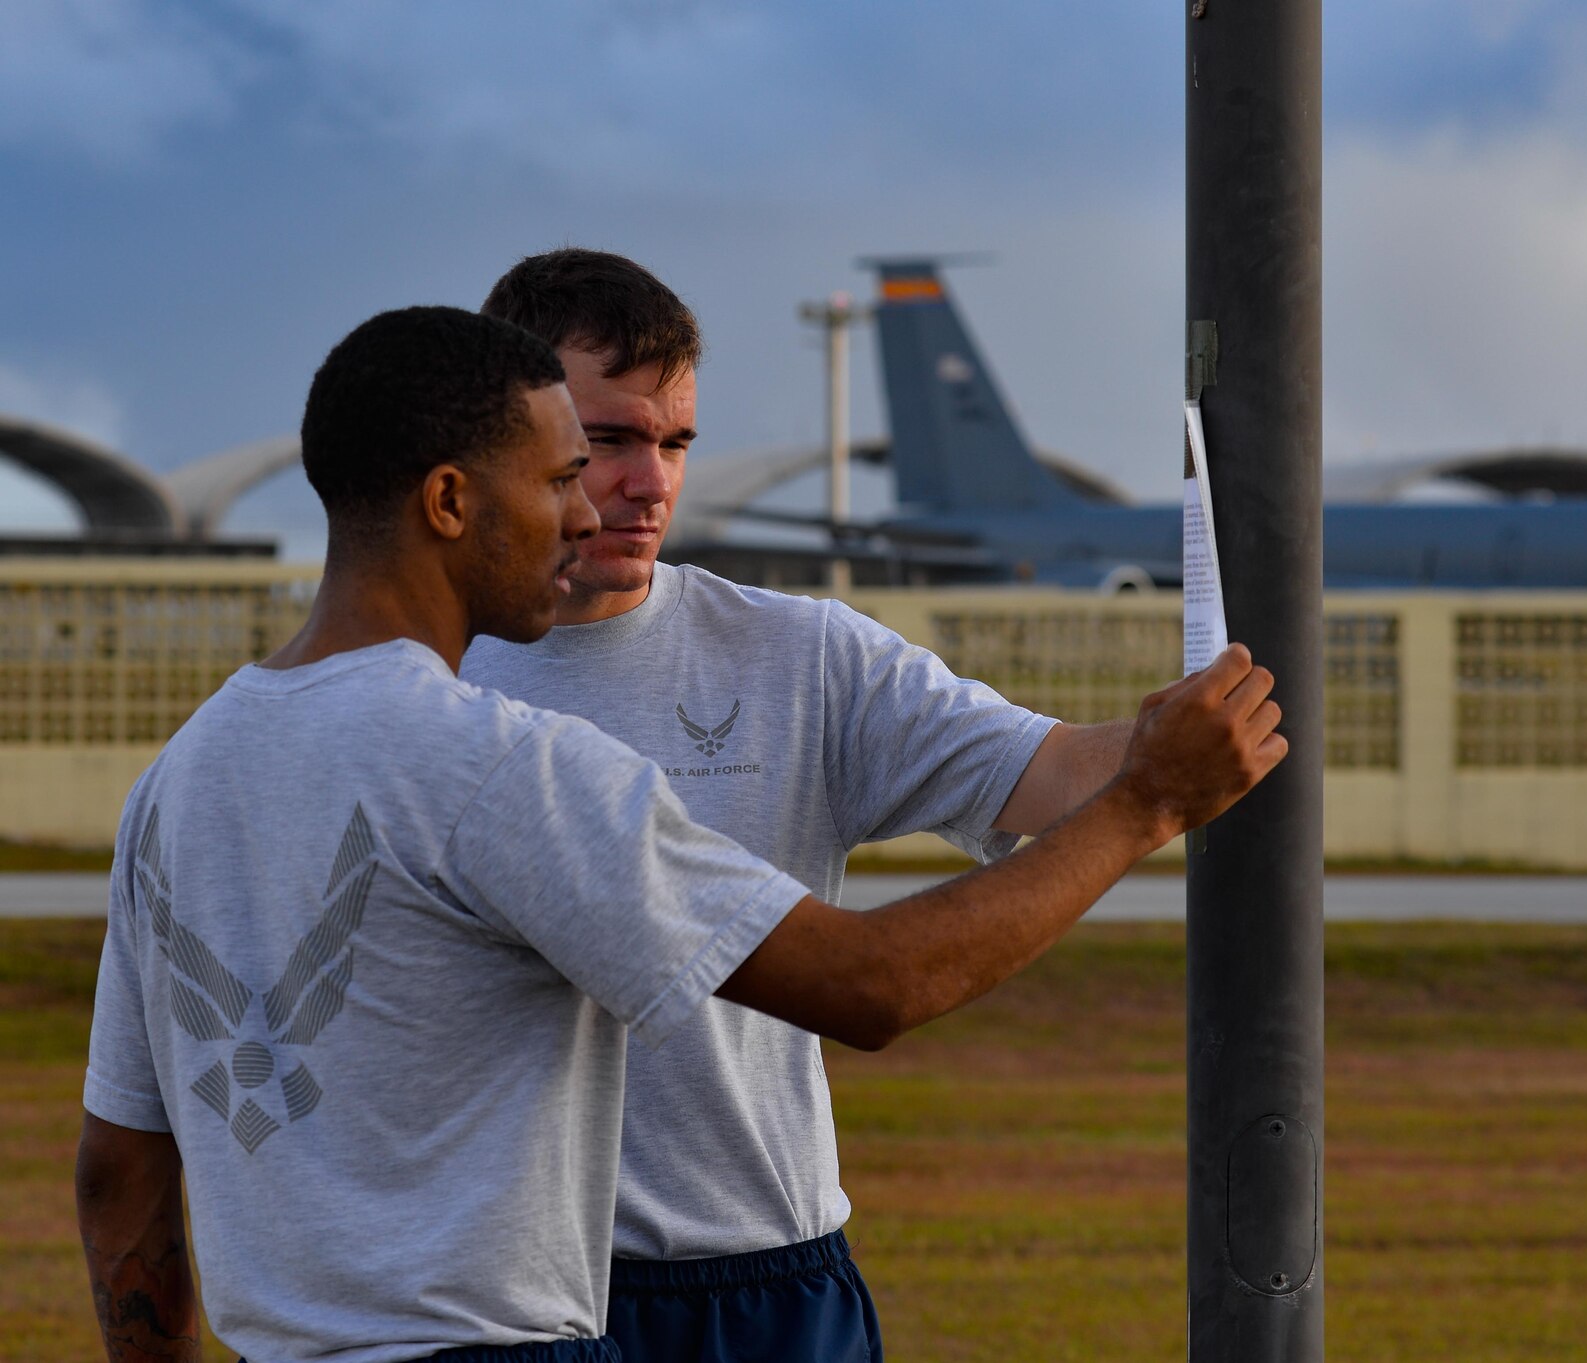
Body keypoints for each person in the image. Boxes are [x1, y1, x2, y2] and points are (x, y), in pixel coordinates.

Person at [74, 305, 1286, 1363]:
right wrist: (1148, 804)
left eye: (662, 446)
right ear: (448, 500)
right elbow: (872, 985)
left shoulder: (182, 776)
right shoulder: (501, 762)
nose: (594, 506)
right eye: (565, 472)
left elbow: (117, 1166)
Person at [465, 249, 1170, 1363]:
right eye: (609, 440)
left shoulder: (798, 656)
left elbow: (1051, 773)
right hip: (511, 1299)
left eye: (676, 443)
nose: (650, 484)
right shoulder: (420, 691)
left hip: (765, 1279)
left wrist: (1181, 741)